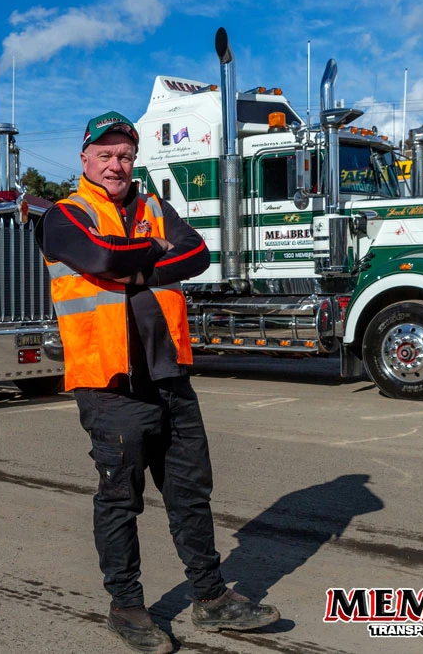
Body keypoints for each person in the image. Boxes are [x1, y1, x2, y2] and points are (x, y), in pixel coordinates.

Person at [37, 112, 280, 653]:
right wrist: (153, 253)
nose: (116, 164)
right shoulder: (63, 215)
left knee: (191, 494)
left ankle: (212, 600)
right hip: (110, 382)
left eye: (124, 155)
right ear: (85, 160)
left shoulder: (153, 207)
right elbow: (100, 255)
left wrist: (135, 266)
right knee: (121, 499)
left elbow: (198, 254)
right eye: (106, 155)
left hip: (170, 376)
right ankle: (126, 607)